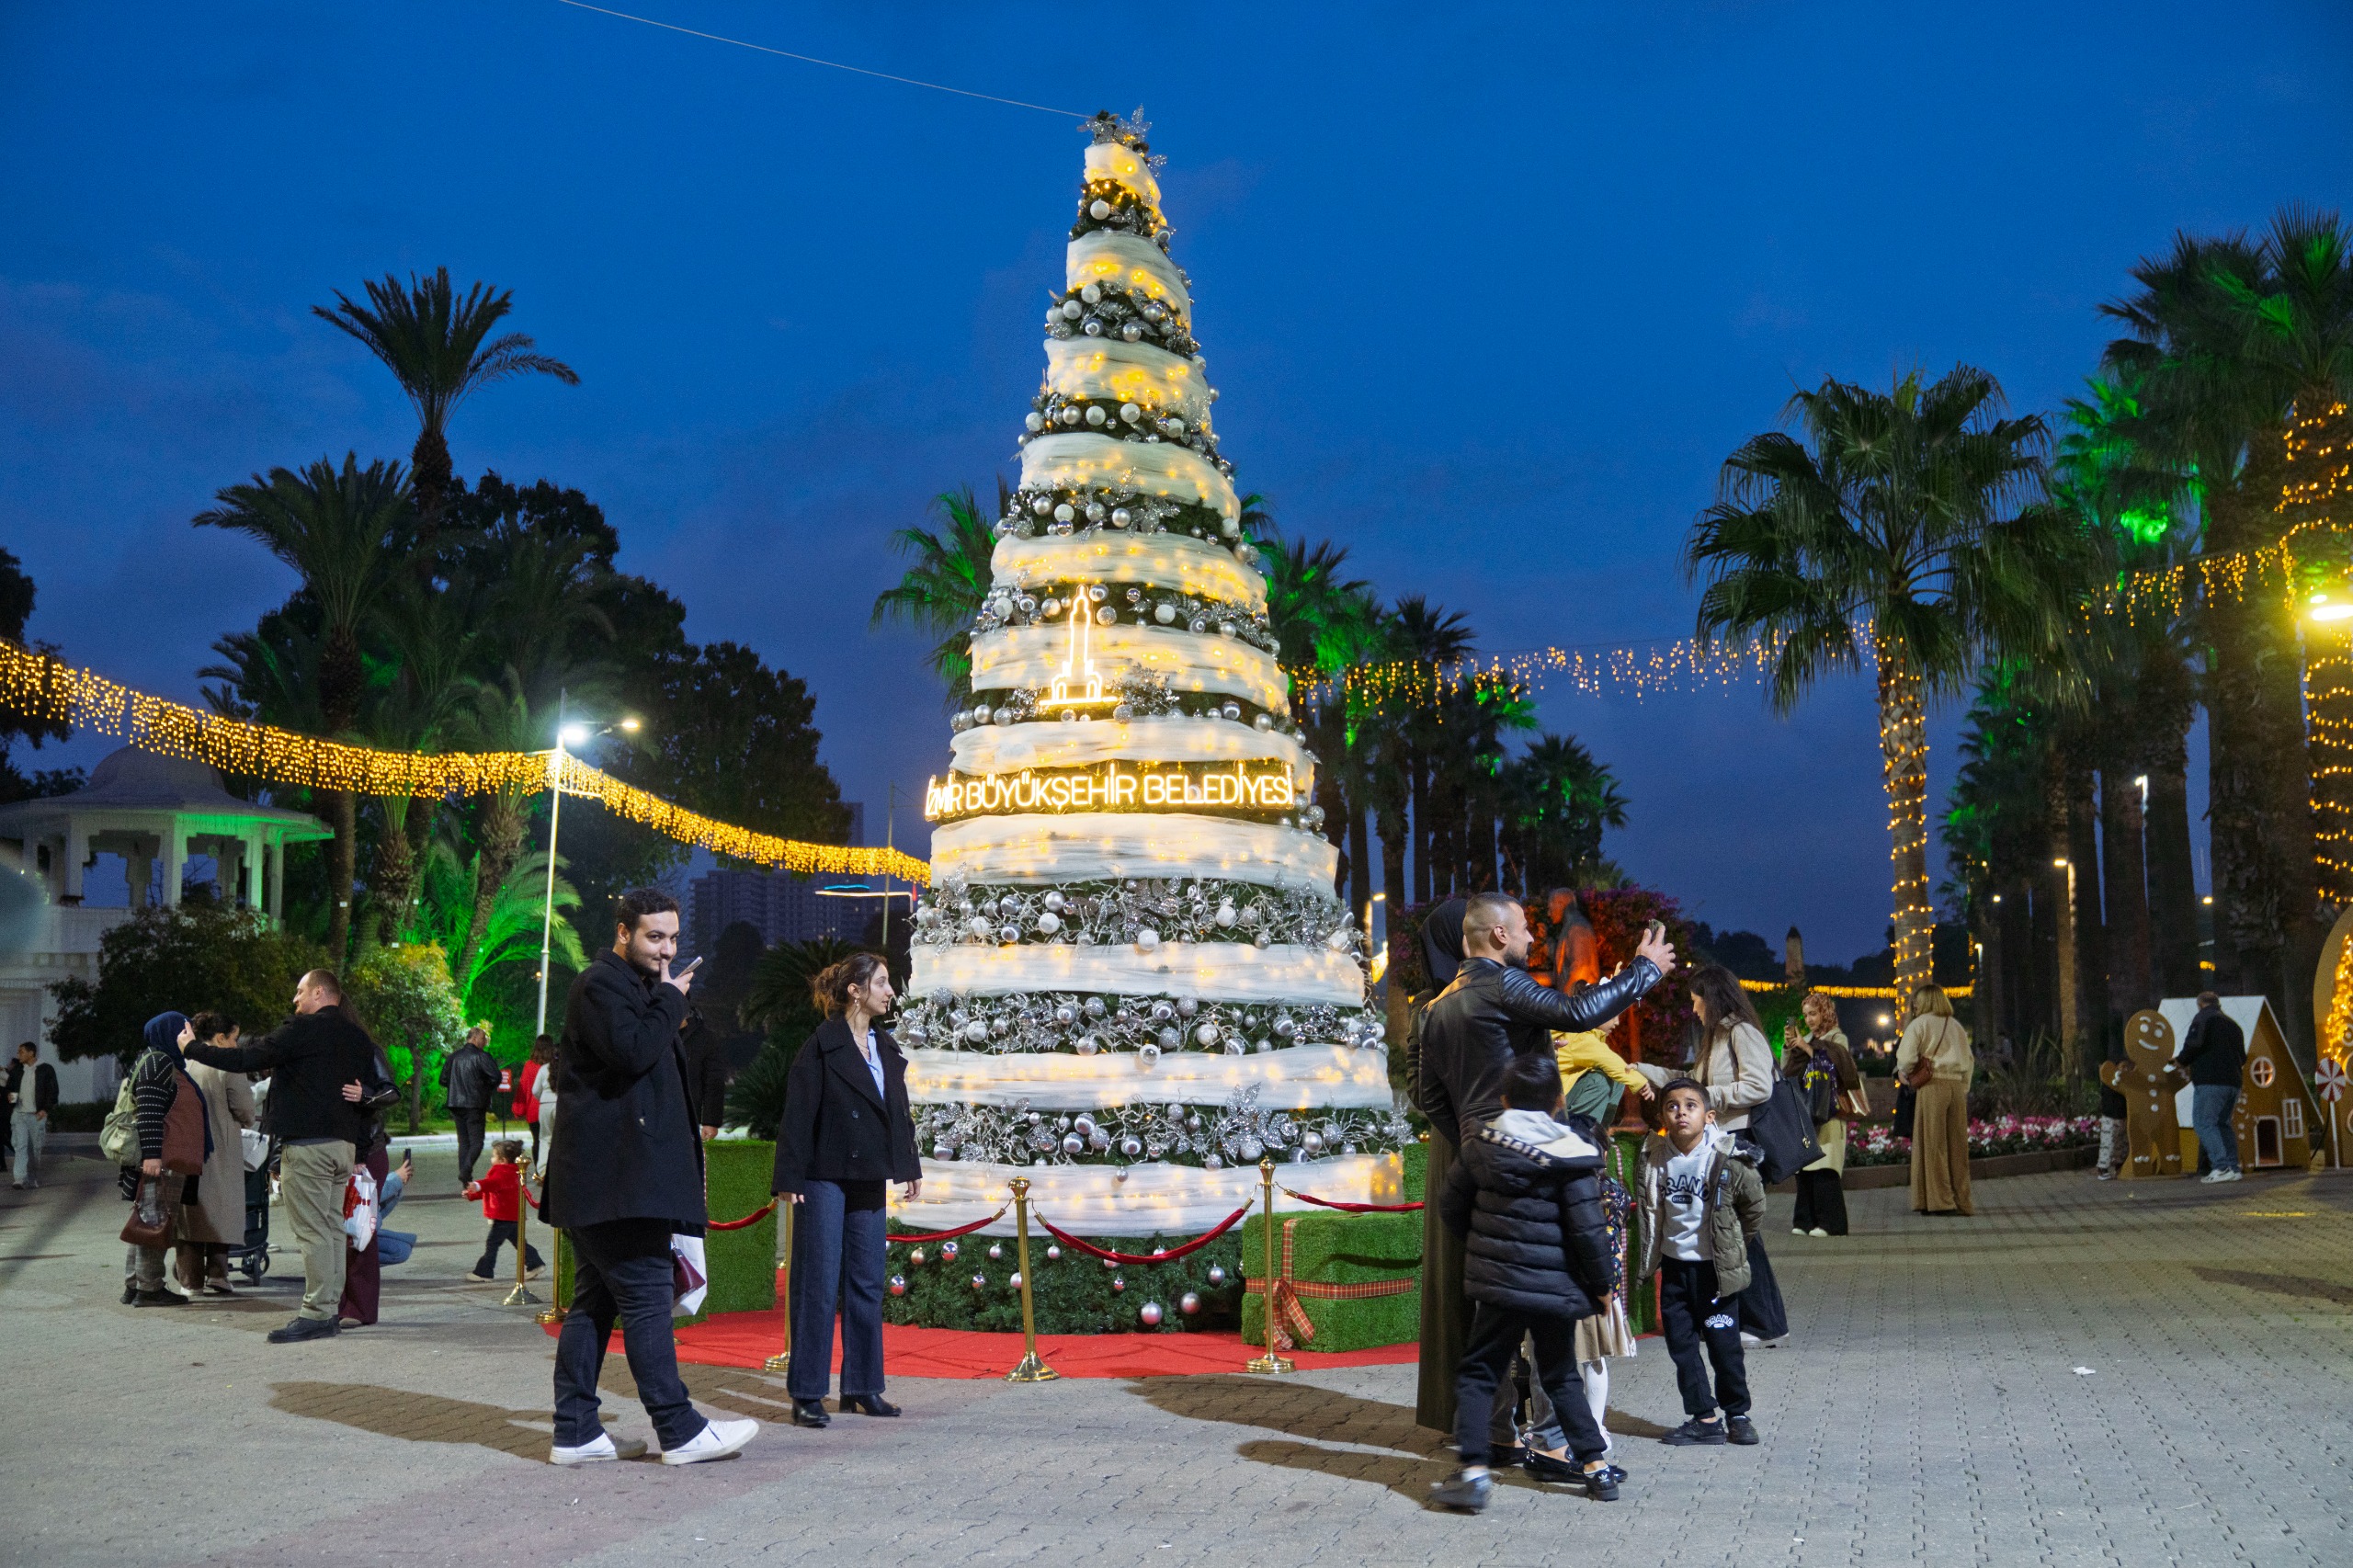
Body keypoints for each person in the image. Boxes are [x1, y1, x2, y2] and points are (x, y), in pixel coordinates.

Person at [1415, 889, 1672, 1441]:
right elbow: (1579, 1013)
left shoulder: (1433, 1010)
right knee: (1553, 1303)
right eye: (1526, 929)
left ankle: (1491, 1440)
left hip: (1482, 1160)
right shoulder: (1503, 983)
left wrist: (1470, 1137)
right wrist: (1644, 974)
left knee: (1493, 1306)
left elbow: (1426, 1094)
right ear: (1499, 935)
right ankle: (1570, 1442)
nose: (1535, 939)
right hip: (1532, 1148)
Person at [544, 886, 756, 1468]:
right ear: (623, 933)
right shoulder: (601, 984)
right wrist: (670, 1001)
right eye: (653, 937)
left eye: (673, 938)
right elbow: (633, 1052)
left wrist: (663, 1000)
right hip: (617, 1185)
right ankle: (678, 1427)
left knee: (593, 1305)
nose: (666, 951)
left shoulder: (633, 988)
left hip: (612, 1183)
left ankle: (576, 1431)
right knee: (643, 1299)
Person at [1429, 1052, 1622, 1512]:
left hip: (1498, 1284)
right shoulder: (1573, 1154)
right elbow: (1587, 1230)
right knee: (1559, 1375)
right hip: (1555, 1289)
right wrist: (1601, 1285)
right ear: (1559, 1100)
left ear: (1503, 1097)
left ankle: (1475, 1473)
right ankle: (1596, 1467)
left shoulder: (1482, 1145)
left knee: (1479, 1373)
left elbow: (1450, 1206)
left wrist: (1486, 1246)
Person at [183, 969, 381, 1343]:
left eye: (300, 991)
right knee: (333, 1229)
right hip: (342, 1146)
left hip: (308, 1146)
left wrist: (191, 1049)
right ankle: (330, 1307)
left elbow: (244, 1060)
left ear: (320, 993)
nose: (295, 999)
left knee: (313, 1232)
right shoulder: (357, 1038)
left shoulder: (302, 1030)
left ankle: (317, 1313)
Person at [772, 951, 921, 1429]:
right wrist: (789, 1177)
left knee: (866, 1282)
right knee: (816, 1282)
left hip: (868, 1177)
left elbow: (898, 1112)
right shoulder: (822, 1046)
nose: (890, 991)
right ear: (855, 991)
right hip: (823, 1175)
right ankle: (808, 1393)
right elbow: (797, 1114)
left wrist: (908, 1164)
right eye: (881, 983)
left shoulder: (887, 1049)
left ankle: (861, 1386)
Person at [1651, 965, 1784, 1343]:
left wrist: (1712, 1098)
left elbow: (1760, 1086)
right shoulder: (1717, 1038)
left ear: (1711, 997)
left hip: (1736, 1141)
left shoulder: (1741, 1032)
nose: (1694, 1010)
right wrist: (1640, 1071)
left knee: (1738, 1233)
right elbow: (1691, 1083)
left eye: (1696, 1002)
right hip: (1720, 1141)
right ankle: (1746, 1321)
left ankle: (1763, 1323)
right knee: (1731, 1233)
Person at [1637, 1078, 1764, 1447]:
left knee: (1724, 1345)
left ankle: (1737, 1414)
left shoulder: (1725, 1158)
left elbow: (1754, 1207)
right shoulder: (1655, 1159)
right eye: (1672, 1106)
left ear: (1709, 1116)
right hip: (1675, 1273)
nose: (1681, 1113)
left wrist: (1734, 1244)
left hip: (1714, 1276)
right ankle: (1703, 1418)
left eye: (1690, 1106)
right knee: (1682, 1347)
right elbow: (1649, 1211)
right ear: (1662, 1115)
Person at [121, 1012, 202, 1308]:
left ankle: (135, 1283)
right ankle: (150, 1288)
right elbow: (150, 1114)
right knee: (155, 1221)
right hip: (162, 1160)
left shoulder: (157, 1059)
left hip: (164, 1157)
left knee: (145, 1219)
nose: (188, 1035)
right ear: (169, 1032)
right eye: (183, 1030)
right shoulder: (159, 1063)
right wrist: (153, 1157)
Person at [176, 1013, 256, 1293]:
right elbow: (245, 1109)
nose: (236, 1046)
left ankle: (189, 1280)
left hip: (186, 1148)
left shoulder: (183, 1063)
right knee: (223, 1208)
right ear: (220, 1038)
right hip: (221, 1147)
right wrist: (247, 1121)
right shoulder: (229, 1067)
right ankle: (218, 1275)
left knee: (190, 1213)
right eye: (234, 1039)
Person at [1782, 991, 1861, 1237]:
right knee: (1805, 1167)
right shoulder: (1806, 1038)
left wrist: (1808, 1048)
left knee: (1825, 1165)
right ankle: (1805, 1220)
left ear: (1825, 1012)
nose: (1809, 1020)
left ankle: (1831, 1224)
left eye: (1813, 1013)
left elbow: (1839, 1066)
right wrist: (1790, 1046)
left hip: (1829, 1110)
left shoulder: (1839, 1037)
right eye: (1805, 1015)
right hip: (1807, 1109)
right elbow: (1788, 1069)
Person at [1895, 984, 1975, 1216]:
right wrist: (1963, 1088)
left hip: (1932, 1087)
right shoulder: (1956, 1026)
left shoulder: (1919, 1024)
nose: (1915, 1006)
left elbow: (1907, 1058)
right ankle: (1962, 1200)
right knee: (1958, 1146)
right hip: (1956, 1087)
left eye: (1917, 1001)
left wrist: (1903, 1072)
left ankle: (1938, 1201)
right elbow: (1969, 1061)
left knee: (1932, 1144)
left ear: (1926, 1002)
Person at [2176, 992, 2246, 1183]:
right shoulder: (2233, 1025)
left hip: (2210, 1081)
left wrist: (2180, 1061)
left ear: (2200, 1004)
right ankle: (2233, 1168)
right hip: (2233, 1082)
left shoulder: (2203, 1018)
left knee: (2204, 1123)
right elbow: (2243, 1056)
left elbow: (2193, 1044)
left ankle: (2221, 1167)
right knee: (2223, 1124)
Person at [1554, 1011, 1651, 1127]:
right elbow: (1610, 1061)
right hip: (1552, 1105)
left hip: (1558, 1097)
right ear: (1597, 1013)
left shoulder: (1582, 1034)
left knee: (1616, 1079)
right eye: (1613, 1016)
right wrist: (1640, 1082)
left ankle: (1599, 1133)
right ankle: (1581, 1133)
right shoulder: (1580, 1037)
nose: (1617, 1022)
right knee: (1599, 1081)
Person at [466, 1140, 546, 1279]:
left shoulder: (501, 1171)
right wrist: (472, 1194)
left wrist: (477, 1186)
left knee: (492, 1243)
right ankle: (535, 1263)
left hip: (503, 1215)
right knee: (519, 1241)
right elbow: (492, 1189)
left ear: (502, 1160)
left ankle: (484, 1272)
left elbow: (492, 1184)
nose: (491, 1159)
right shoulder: (514, 1171)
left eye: (493, 1156)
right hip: (513, 1215)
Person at [440, 1026, 500, 1185]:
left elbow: (443, 1080)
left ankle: (465, 1179)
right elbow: (495, 1077)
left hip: (455, 1104)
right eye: (483, 1038)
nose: (485, 1042)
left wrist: (457, 1086)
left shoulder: (453, 1057)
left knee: (464, 1142)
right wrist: (483, 1088)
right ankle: (465, 1171)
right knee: (477, 1142)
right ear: (473, 1038)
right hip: (475, 1104)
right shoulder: (482, 1057)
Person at [6, 1040, 58, 1189]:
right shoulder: (17, 1071)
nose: (18, 1055)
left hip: (37, 1115)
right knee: (20, 1146)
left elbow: (53, 1091)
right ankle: (20, 1178)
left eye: (21, 1052)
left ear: (31, 1053)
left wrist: (45, 1109)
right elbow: (10, 1088)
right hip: (19, 1114)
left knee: (35, 1148)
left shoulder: (46, 1070)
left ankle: (34, 1177)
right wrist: (10, 1096)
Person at [682, 1006, 733, 1139]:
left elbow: (714, 1081)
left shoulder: (705, 1039)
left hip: (688, 1117)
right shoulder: (656, 1033)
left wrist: (710, 1122)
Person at [515, 1033, 555, 1171]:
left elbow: (524, 1087)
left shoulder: (529, 1065)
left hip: (534, 1110)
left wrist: (518, 1108)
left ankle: (540, 1171)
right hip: (552, 1107)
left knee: (539, 1140)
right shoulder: (554, 1066)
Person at [2095, 1040, 2129, 1181]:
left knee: (2121, 1143)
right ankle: (2102, 1168)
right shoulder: (2109, 1084)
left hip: (2122, 1117)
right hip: (2111, 1117)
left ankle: (2119, 1165)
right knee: (2108, 1143)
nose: (2125, 1069)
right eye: (2122, 1066)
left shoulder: (2125, 1082)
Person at [376, 1150, 417, 1265]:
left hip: (361, 1231)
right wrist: (396, 1179)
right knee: (400, 1249)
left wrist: (398, 1183)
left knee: (402, 1248)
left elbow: (379, 1210)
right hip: (350, 1233)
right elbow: (368, 1197)